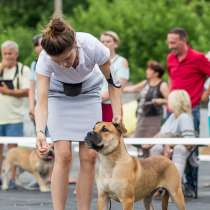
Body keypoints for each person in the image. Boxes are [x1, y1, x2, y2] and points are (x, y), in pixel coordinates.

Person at [35, 18, 122, 210]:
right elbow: (41, 101)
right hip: (58, 95)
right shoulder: (45, 58)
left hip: (89, 93)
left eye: (67, 58)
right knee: (63, 155)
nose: (64, 65)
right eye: (58, 62)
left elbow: (113, 82)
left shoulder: (91, 45)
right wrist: (40, 131)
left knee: (89, 156)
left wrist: (117, 114)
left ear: (75, 44)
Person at [167, 27, 210, 136]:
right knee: (168, 143)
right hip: (172, 108)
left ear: (184, 41)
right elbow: (170, 79)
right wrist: (168, 98)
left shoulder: (198, 58)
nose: (170, 46)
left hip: (191, 108)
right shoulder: (170, 58)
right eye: (169, 43)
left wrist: (206, 93)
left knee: (190, 145)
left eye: (173, 43)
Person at [0, 40, 30, 186]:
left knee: (13, 152)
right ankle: (1, 178)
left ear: (16, 54)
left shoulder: (23, 70)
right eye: (4, 53)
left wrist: (8, 92)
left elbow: (27, 91)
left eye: (10, 53)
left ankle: (11, 179)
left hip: (15, 117)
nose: (7, 56)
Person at [124, 60, 169, 157]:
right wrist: (117, 88)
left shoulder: (162, 85)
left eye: (150, 69)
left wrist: (161, 101)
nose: (147, 71)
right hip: (142, 118)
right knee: (140, 143)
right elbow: (132, 89)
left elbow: (170, 100)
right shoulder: (146, 83)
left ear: (156, 73)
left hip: (154, 120)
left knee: (150, 144)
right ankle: (143, 164)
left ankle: (151, 165)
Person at [150, 90, 195, 181]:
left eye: (169, 100)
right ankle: (157, 182)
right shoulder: (172, 116)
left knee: (179, 149)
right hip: (168, 148)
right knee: (156, 148)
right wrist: (150, 142)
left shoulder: (184, 117)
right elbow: (162, 134)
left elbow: (189, 142)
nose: (167, 102)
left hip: (178, 149)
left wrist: (169, 144)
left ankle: (174, 183)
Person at [100, 31, 130, 121]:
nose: (105, 44)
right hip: (96, 105)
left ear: (116, 44)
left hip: (111, 106)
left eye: (108, 41)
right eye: (102, 41)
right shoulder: (97, 61)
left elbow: (120, 86)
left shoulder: (122, 61)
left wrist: (100, 97)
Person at [29, 34, 43, 121]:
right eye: (36, 45)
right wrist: (31, 107)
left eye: (40, 44)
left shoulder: (56, 60)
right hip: (39, 107)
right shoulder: (34, 64)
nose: (38, 47)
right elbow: (32, 87)